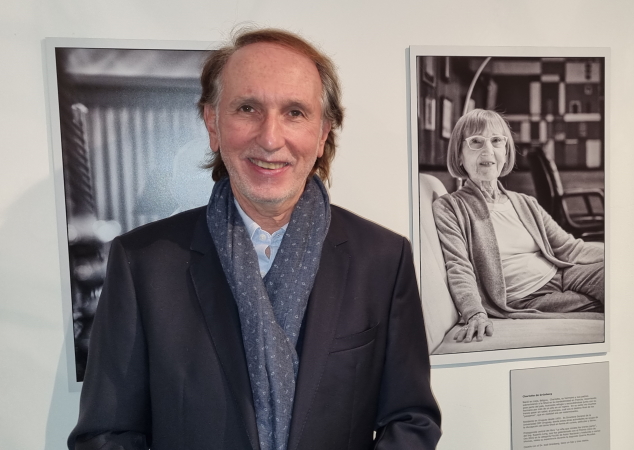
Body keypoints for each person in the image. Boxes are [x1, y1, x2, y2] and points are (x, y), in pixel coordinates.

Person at [68, 28, 441, 450]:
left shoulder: (383, 259)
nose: (269, 138)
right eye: (248, 108)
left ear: (322, 133)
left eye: (295, 112)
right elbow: (106, 434)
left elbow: (411, 420)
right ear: (213, 123)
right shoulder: (143, 263)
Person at [433, 109, 604, 344]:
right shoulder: (450, 207)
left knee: (621, 273)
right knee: (615, 300)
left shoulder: (524, 202)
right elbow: (458, 266)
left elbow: (570, 249)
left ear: (506, 150)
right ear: (459, 155)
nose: (488, 150)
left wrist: (619, 253)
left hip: (563, 273)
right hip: (526, 295)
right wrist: (475, 312)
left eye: (496, 141)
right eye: (476, 142)